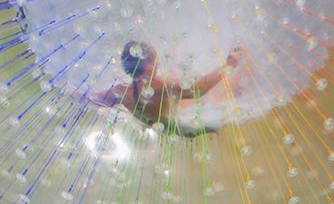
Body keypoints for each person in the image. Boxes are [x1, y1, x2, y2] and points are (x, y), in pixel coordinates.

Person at [89, 41, 244, 137]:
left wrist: (70, 91)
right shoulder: (157, 86)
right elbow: (198, 90)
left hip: (162, 128)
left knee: (176, 76)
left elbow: (92, 98)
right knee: (230, 90)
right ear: (147, 63)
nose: (157, 65)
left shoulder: (121, 91)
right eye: (155, 61)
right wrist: (229, 64)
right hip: (185, 129)